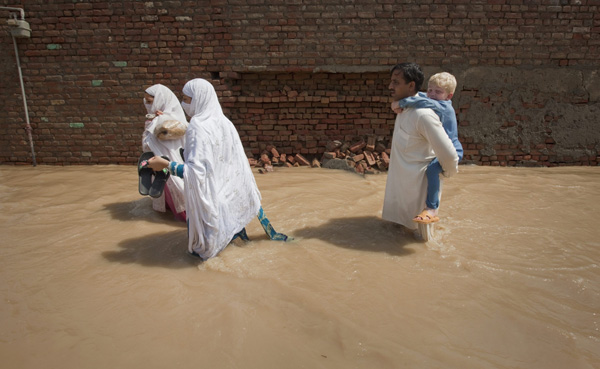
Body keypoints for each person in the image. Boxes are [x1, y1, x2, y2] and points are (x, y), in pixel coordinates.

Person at [147, 78, 290, 260]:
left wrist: (166, 165)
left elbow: (196, 173)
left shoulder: (198, 126)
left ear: (200, 99)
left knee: (200, 253)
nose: (184, 104)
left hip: (213, 200)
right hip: (232, 192)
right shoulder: (225, 122)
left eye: (187, 99)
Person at [382, 63, 459, 232]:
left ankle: (430, 209)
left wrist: (447, 172)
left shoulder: (423, 115)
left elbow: (450, 156)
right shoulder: (405, 109)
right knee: (393, 236)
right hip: (400, 198)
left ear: (410, 85)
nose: (390, 86)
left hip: (418, 202)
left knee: (419, 245)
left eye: (396, 82)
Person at [142, 84, 188, 222]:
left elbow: (147, 144)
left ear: (160, 100)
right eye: (146, 101)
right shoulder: (175, 118)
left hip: (168, 167)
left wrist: (154, 121)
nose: (147, 104)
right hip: (166, 167)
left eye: (150, 101)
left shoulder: (162, 121)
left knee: (180, 203)